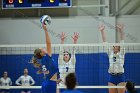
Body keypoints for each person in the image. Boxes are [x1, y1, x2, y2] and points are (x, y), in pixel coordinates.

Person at [31, 23, 61, 93]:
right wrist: (46, 30)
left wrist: (56, 80)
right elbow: (48, 43)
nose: (44, 48)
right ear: (41, 53)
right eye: (42, 49)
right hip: (50, 84)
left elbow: (49, 73)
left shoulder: (43, 61)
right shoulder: (46, 58)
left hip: (47, 83)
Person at [99, 24, 125, 93]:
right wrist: (102, 31)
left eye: (116, 45)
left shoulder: (121, 53)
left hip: (120, 76)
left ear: (119, 47)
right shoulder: (110, 53)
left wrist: (121, 30)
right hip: (112, 77)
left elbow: (122, 41)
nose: (114, 46)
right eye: (113, 46)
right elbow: (105, 42)